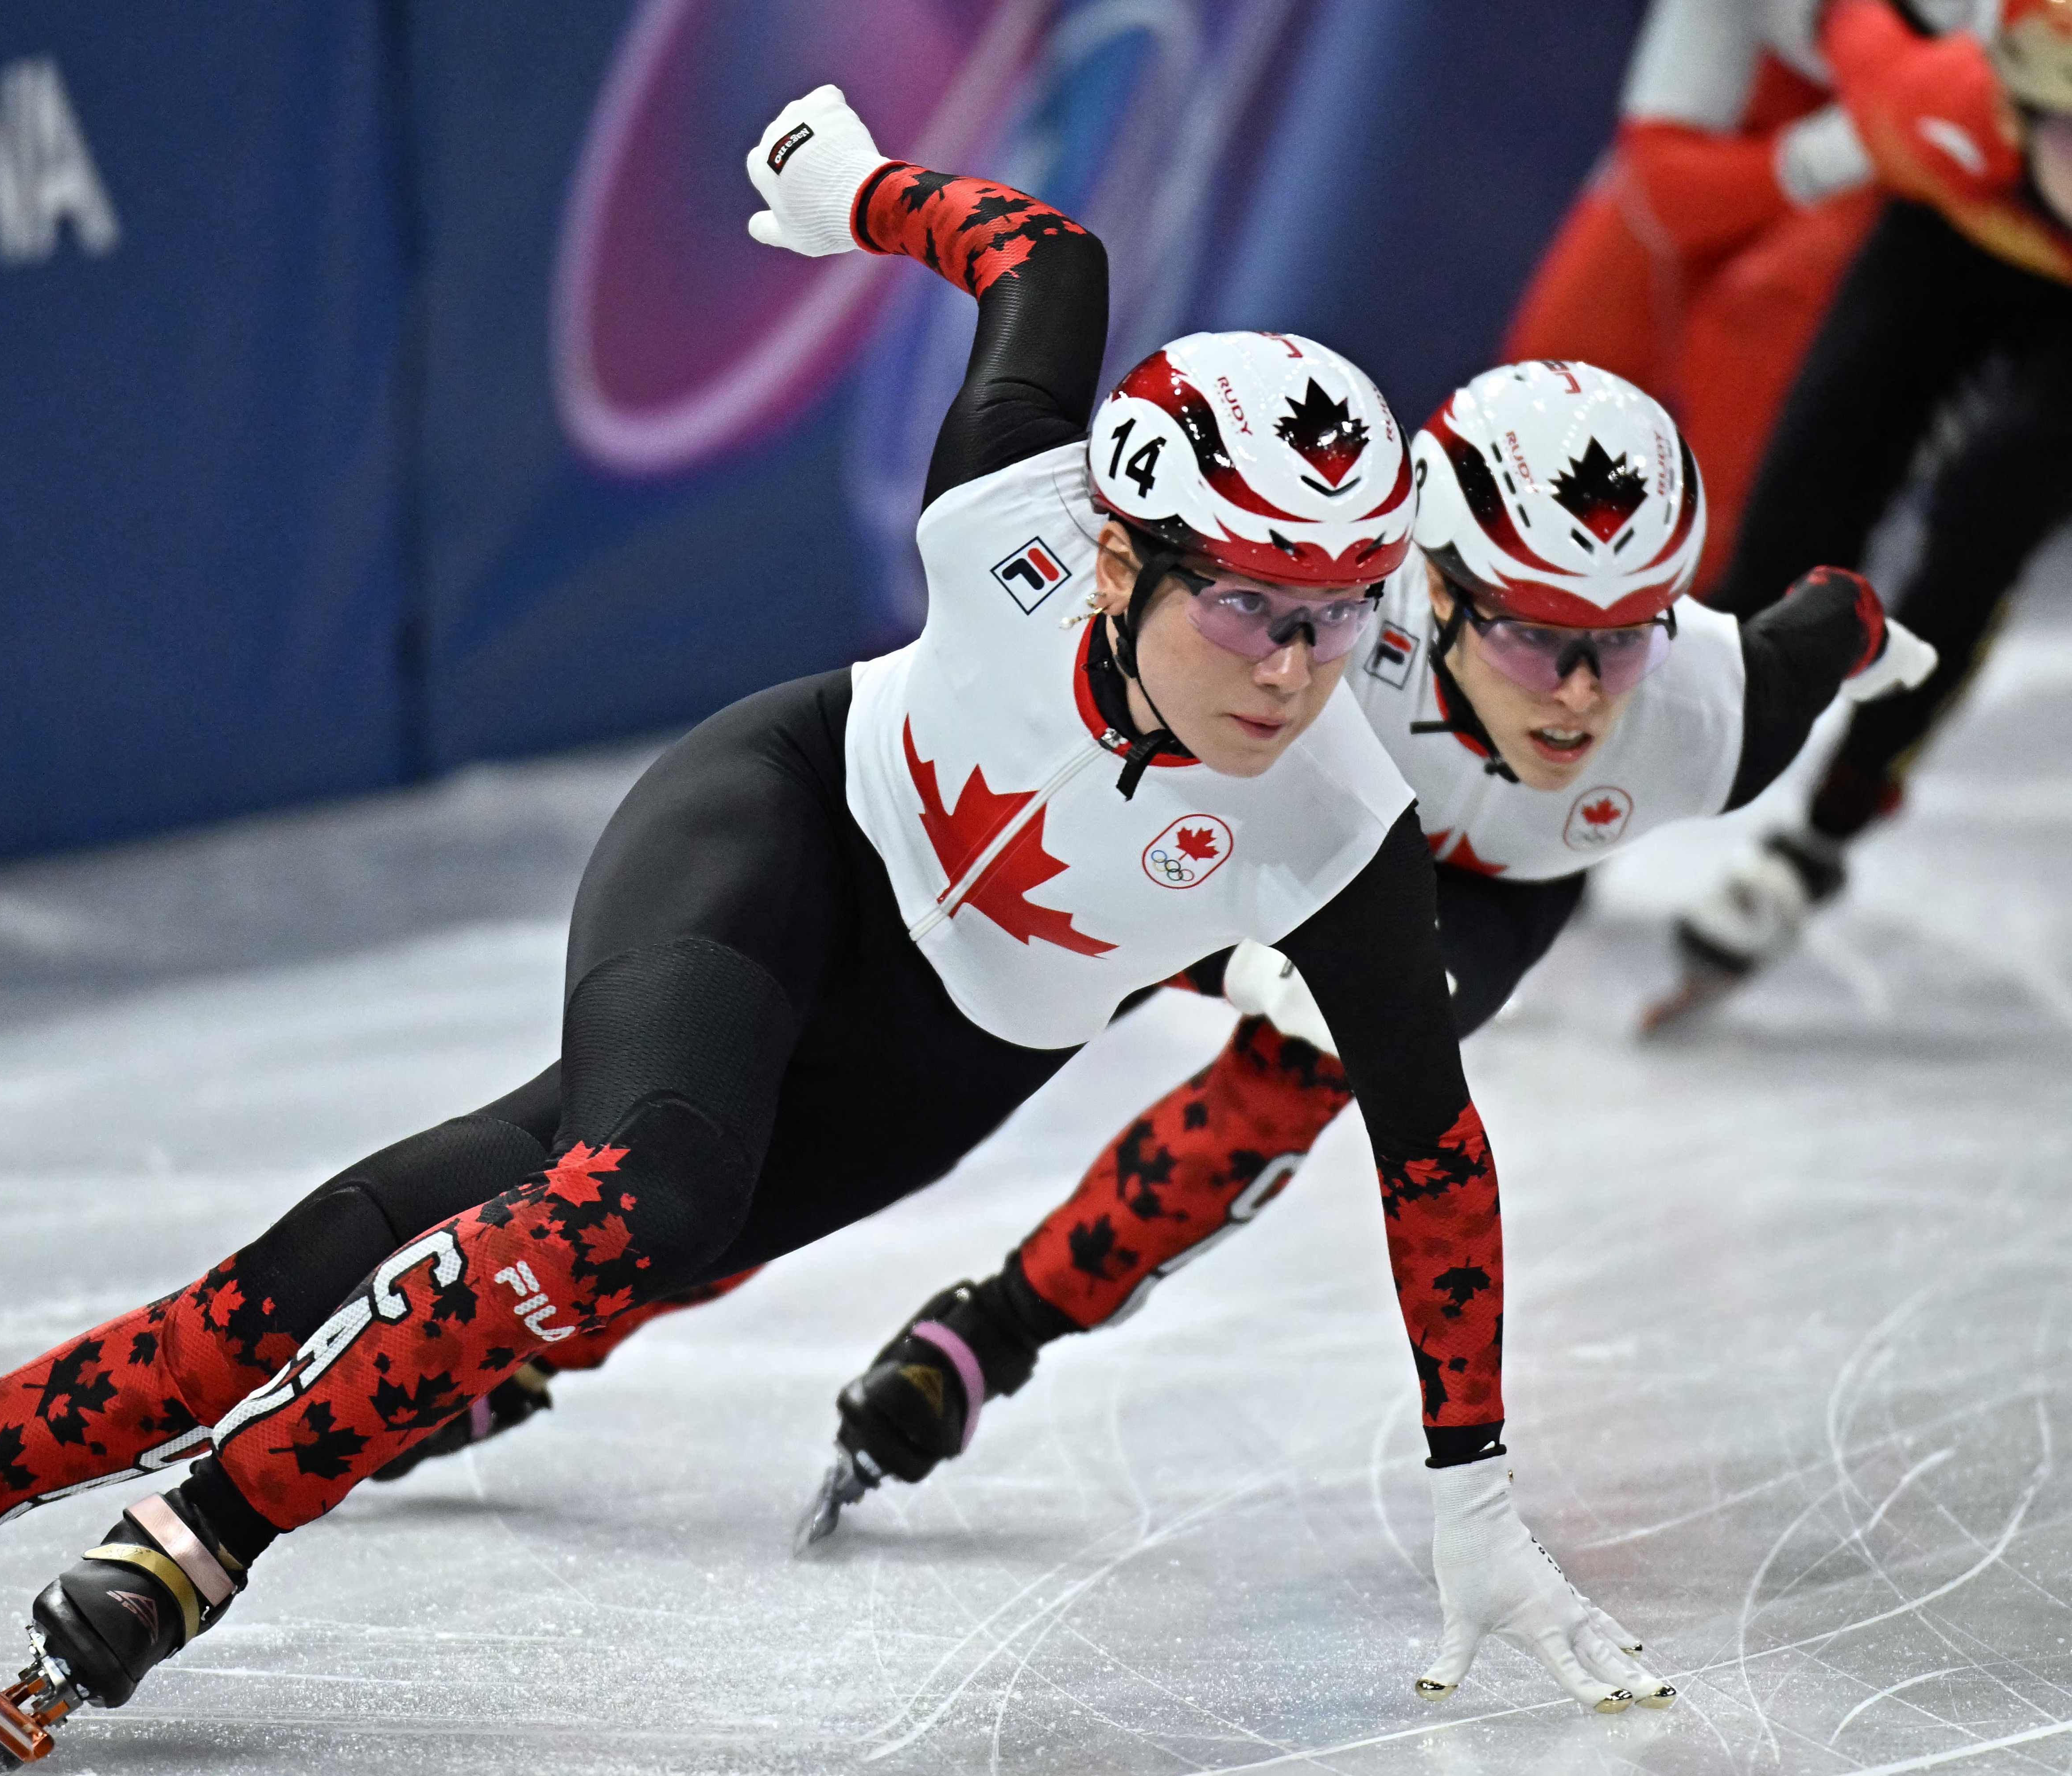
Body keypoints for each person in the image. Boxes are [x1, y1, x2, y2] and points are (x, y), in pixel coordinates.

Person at [0, 85, 1667, 1758]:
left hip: (930, 1062)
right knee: (633, 1189)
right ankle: (206, 1535)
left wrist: (1473, 1481)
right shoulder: (1009, 518)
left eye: (1341, 616)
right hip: (774, 835)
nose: (1297, 667)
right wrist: (860, 193)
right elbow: (1045, 255)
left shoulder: (1336, 825)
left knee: (366, 1266)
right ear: (1119, 560)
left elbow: (1429, 1149)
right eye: (1254, 608)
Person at [398, 367, 1936, 1680]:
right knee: (838, 1088)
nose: (1586, 694)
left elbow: (1832, 623)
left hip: (1459, 907)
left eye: (1628, 635)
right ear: (1428, 589)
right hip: (1236, 844)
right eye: (1535, 635)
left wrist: (1880, 634)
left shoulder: (1714, 714)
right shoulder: (1313, 636)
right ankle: (558, 1321)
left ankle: (993, 1332)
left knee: (1305, 1071)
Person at [1664, 0, 2072, 1017]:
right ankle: (1596, 774)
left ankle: (1825, 830)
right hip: (1948, 215)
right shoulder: (1926, 95)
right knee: (1799, 508)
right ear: (2019, 105)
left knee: (1991, 506)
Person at [1502, 0, 1884, 583]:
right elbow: (1666, 188)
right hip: (1816, 116)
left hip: (1915, 147)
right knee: (1558, 376)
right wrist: (1819, 156)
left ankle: (1721, 601)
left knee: (1762, 312)